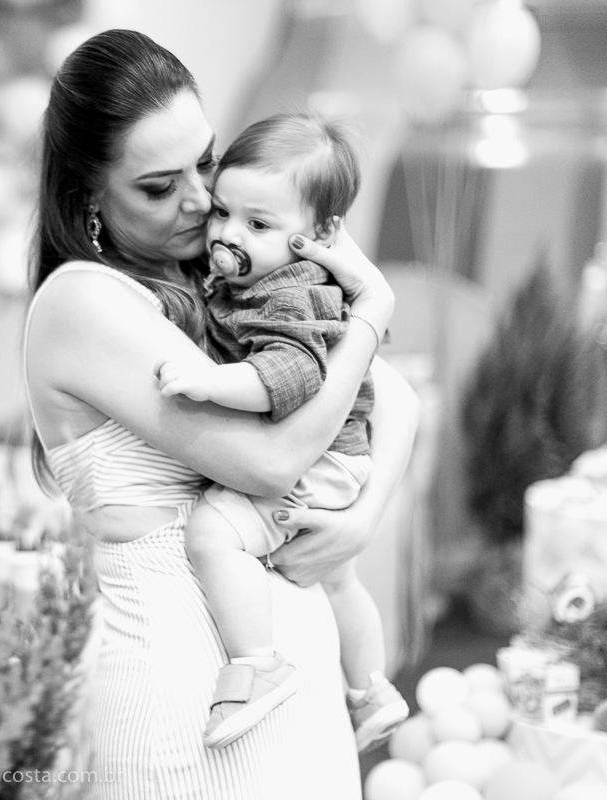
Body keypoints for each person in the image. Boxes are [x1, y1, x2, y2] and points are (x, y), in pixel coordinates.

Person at [24, 30, 419, 798]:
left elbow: (393, 398)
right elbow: (268, 464)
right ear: (88, 193)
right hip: (181, 696)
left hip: (295, 683)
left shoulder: (221, 273)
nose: (202, 201)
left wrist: (362, 520)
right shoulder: (83, 301)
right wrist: (372, 310)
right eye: (158, 186)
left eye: (204, 163)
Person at [154, 112, 409, 752]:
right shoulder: (255, 276)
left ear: (318, 236)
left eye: (259, 224)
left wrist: (212, 381)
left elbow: (288, 372)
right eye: (222, 213)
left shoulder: (291, 292)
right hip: (342, 459)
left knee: (214, 532)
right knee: (340, 579)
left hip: (321, 463)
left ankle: (257, 663)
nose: (228, 234)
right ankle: (372, 691)